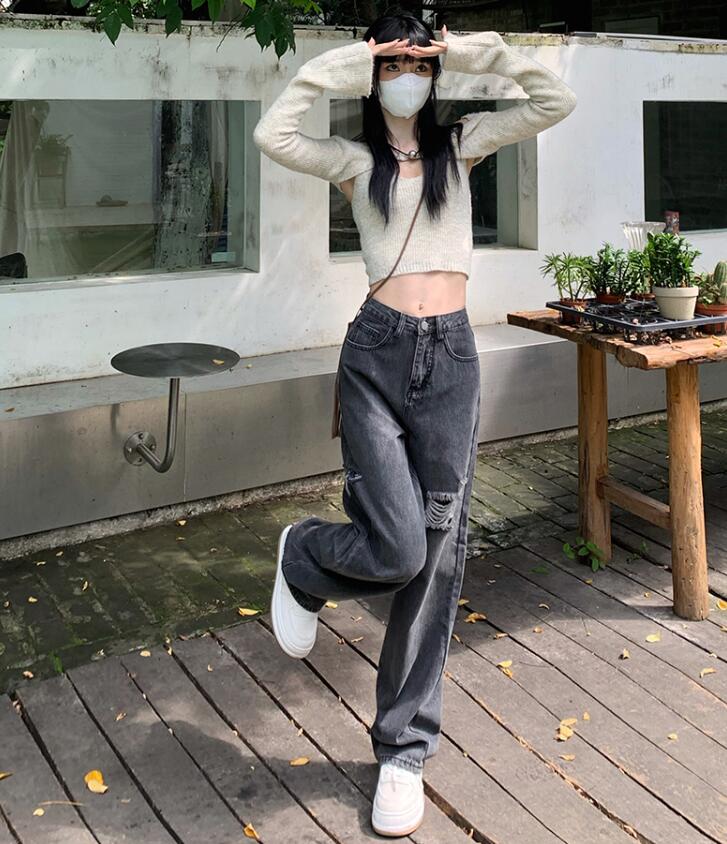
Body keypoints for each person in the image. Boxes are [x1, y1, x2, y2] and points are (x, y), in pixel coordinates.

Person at [253, 12, 576, 837]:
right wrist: (347, 62)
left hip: (452, 358)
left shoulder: (459, 148)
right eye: (394, 62)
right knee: (397, 546)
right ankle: (305, 555)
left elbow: (553, 100)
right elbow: (272, 132)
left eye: (418, 62)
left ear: (435, 72)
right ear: (374, 71)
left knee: (435, 557)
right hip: (377, 353)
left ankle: (403, 750)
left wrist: (465, 53)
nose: (408, 75)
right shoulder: (354, 160)